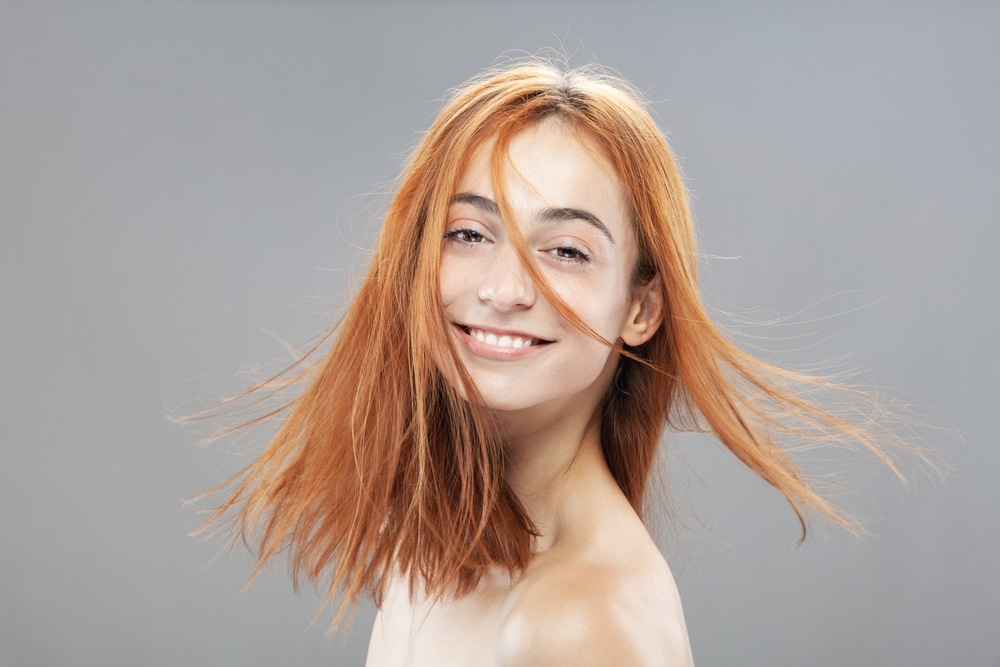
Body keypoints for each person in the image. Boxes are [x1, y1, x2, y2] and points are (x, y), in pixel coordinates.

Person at [202, 60, 914, 666]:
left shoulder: (574, 620)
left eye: (566, 249)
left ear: (642, 308)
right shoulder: (429, 544)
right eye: (470, 232)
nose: (504, 289)